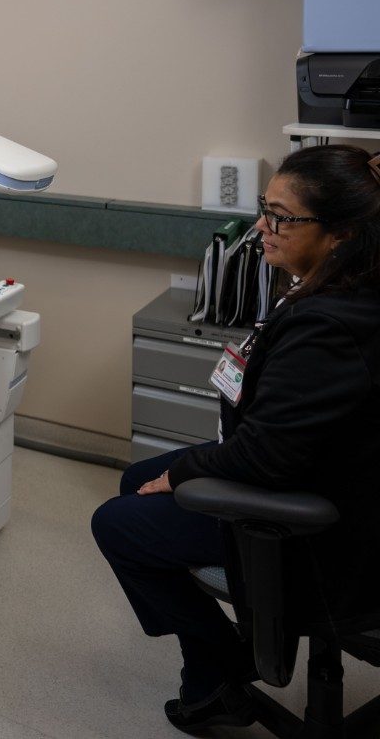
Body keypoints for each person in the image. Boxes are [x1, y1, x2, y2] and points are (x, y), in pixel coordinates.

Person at [91, 144, 380, 732]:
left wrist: (183, 472)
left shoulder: (329, 326)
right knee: (135, 479)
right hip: (330, 475)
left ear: (342, 234)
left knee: (117, 524)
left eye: (282, 218)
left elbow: (265, 457)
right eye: (264, 209)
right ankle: (212, 677)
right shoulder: (340, 289)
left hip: (322, 530)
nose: (262, 228)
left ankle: (224, 663)